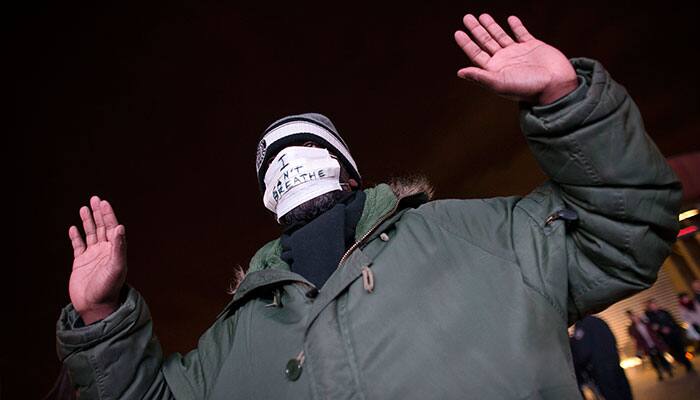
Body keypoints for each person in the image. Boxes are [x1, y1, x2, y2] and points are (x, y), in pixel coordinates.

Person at [55, 13, 682, 399]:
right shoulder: (234, 336)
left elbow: (626, 230)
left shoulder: (485, 237)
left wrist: (567, 103)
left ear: (348, 171)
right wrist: (101, 318)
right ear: (267, 196)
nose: (290, 161)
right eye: (274, 160)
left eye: (306, 146)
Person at [570, 316, 632, 400]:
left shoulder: (580, 327)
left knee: (612, 394)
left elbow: (583, 352)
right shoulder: (599, 320)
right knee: (624, 391)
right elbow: (613, 339)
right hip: (615, 362)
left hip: (600, 369)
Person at [644, 299, 694, 372]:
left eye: (654, 305)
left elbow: (673, 321)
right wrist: (661, 329)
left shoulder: (664, 312)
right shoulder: (650, 317)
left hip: (674, 334)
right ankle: (683, 362)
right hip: (666, 338)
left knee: (682, 350)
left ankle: (688, 364)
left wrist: (671, 328)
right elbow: (653, 326)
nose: (653, 306)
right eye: (651, 306)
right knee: (674, 353)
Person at [627, 310, 674, 381]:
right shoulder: (632, 328)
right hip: (646, 346)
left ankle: (669, 371)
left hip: (655, 343)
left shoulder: (646, 322)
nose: (635, 318)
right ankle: (659, 374)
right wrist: (638, 349)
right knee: (653, 360)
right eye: (633, 318)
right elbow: (635, 339)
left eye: (635, 316)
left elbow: (654, 329)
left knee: (662, 358)